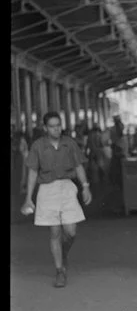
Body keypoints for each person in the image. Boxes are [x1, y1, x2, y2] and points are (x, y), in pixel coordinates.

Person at [22, 111, 92, 288]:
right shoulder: (38, 146)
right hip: (47, 189)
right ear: (45, 128)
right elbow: (32, 172)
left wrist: (85, 186)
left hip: (67, 187)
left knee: (71, 231)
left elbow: (78, 166)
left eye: (58, 125)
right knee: (54, 232)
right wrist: (28, 198)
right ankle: (59, 270)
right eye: (52, 126)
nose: (56, 129)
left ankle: (63, 253)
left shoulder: (69, 143)